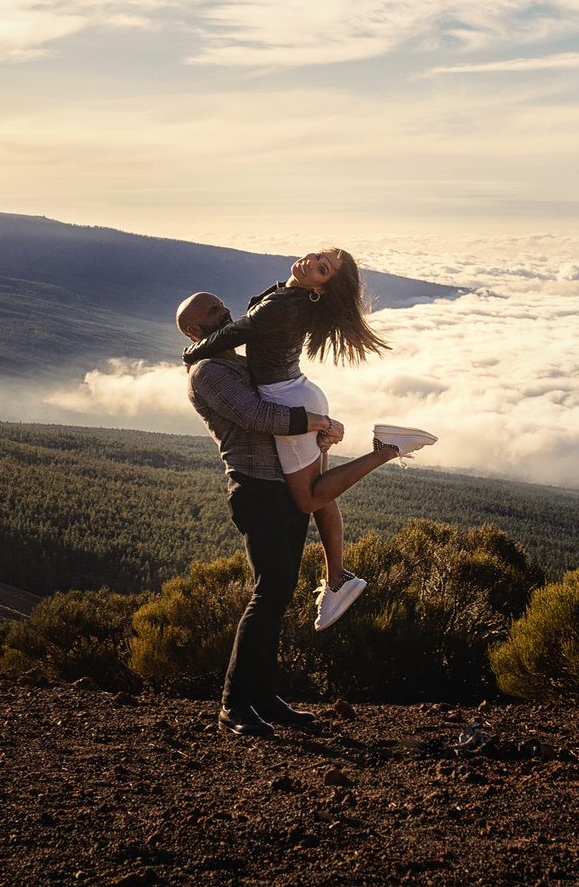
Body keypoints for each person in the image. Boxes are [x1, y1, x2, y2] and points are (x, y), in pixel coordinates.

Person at [177, 282, 424, 738]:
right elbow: (258, 416)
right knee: (270, 590)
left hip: (284, 487)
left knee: (280, 591)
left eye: (222, 302)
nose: (225, 310)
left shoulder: (234, 360)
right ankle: (233, 704)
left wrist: (318, 433)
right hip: (254, 489)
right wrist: (318, 422)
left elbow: (278, 394)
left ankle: (265, 697)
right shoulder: (208, 372)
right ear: (195, 330)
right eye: (214, 310)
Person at [181, 249, 436, 630]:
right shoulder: (286, 298)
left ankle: (387, 450)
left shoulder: (281, 306)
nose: (312, 263)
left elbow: (237, 336)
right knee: (320, 495)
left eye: (322, 269)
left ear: (321, 285)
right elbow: (251, 320)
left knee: (309, 497)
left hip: (288, 400)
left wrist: (190, 353)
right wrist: (316, 420)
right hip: (299, 393)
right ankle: (338, 579)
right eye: (318, 257)